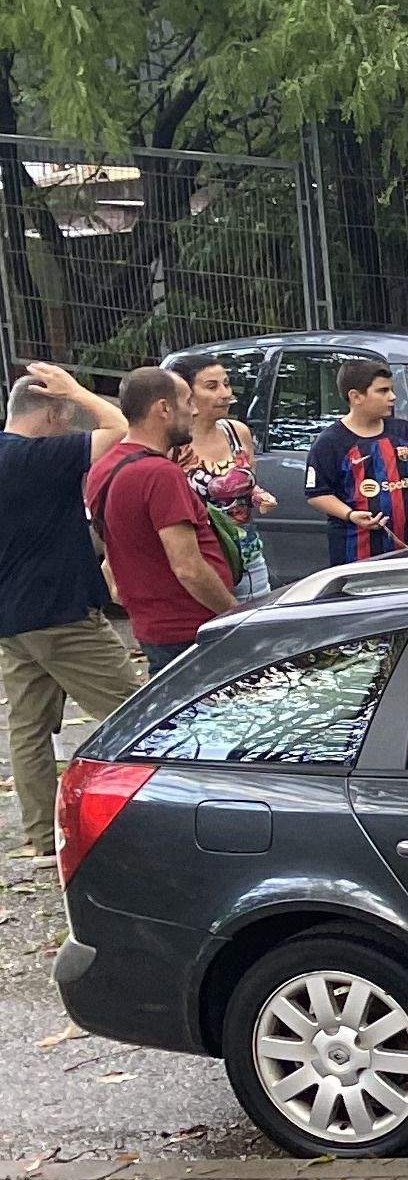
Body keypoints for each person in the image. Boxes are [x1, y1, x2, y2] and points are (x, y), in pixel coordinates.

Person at [0, 361, 141, 863]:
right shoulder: (40, 456)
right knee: (135, 710)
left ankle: (40, 837)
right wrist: (78, 389)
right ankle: (147, 818)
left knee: (28, 727)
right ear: (53, 415)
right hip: (60, 614)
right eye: (64, 414)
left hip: (13, 619)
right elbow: (121, 429)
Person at [85, 367, 239, 666]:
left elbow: (117, 549)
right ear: (164, 409)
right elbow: (188, 568)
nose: (194, 412)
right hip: (191, 630)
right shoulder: (159, 474)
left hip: (152, 628)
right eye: (187, 402)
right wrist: (234, 614)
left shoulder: (103, 468)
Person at [306, 356, 408, 564]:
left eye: (391, 389)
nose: (393, 397)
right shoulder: (330, 442)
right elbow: (317, 494)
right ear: (356, 397)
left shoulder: (403, 432)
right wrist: (350, 514)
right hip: (355, 552)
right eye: (383, 391)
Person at [182, 359, 268, 601]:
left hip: (248, 556)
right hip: (202, 562)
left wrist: (261, 497)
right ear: (187, 395)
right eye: (212, 386)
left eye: (227, 384)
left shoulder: (237, 432)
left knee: (256, 631)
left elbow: (248, 486)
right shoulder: (175, 444)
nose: (225, 393)